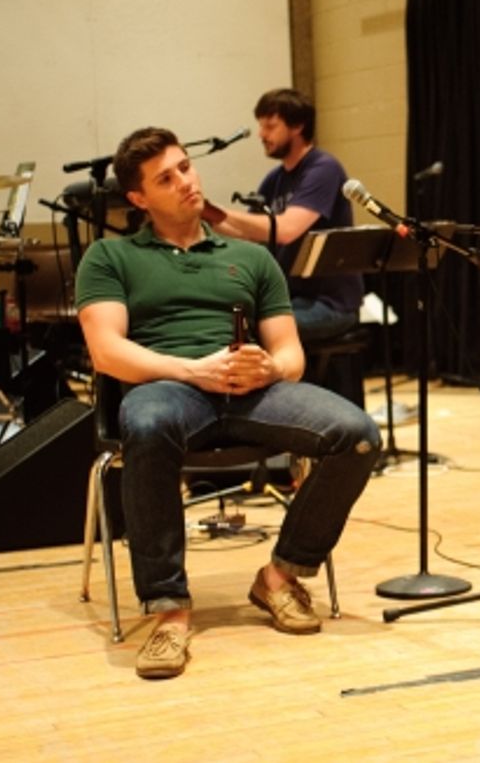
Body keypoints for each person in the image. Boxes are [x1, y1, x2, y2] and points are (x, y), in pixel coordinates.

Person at [76, 127, 382, 680]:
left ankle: (281, 576)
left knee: (357, 434)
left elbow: (290, 354)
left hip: (251, 392)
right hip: (169, 389)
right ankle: (169, 610)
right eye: (165, 179)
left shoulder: (250, 256)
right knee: (144, 423)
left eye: (185, 167)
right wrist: (192, 369)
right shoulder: (110, 256)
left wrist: (270, 366)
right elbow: (107, 352)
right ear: (139, 199)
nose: (186, 182)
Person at [203, 88, 363, 344]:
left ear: (298, 126)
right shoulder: (274, 179)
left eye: (270, 126)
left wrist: (217, 212)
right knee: (224, 325)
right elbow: (248, 233)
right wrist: (202, 216)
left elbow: (286, 230)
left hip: (330, 304)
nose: (261, 135)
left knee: (248, 332)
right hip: (293, 300)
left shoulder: (323, 168)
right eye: (261, 126)